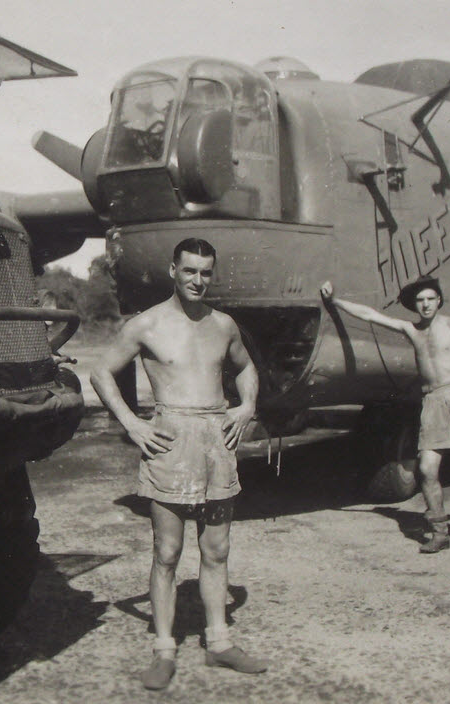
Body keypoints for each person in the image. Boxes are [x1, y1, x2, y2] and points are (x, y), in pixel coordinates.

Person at [91, 238, 267, 690]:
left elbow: (246, 367)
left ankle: (220, 643)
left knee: (216, 550)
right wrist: (132, 424)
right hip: (170, 441)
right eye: (190, 271)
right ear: (173, 270)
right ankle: (164, 648)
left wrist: (246, 406)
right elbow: (101, 371)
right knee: (166, 552)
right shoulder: (146, 324)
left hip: (215, 441)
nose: (198, 280)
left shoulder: (224, 325)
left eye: (206, 272)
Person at [319, 276, 450, 554]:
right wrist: (334, 301)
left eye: (431, 299)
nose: (426, 304)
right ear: (414, 305)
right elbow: (370, 315)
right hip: (432, 401)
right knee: (427, 469)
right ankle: (439, 531)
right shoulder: (411, 329)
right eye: (421, 300)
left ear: (439, 301)